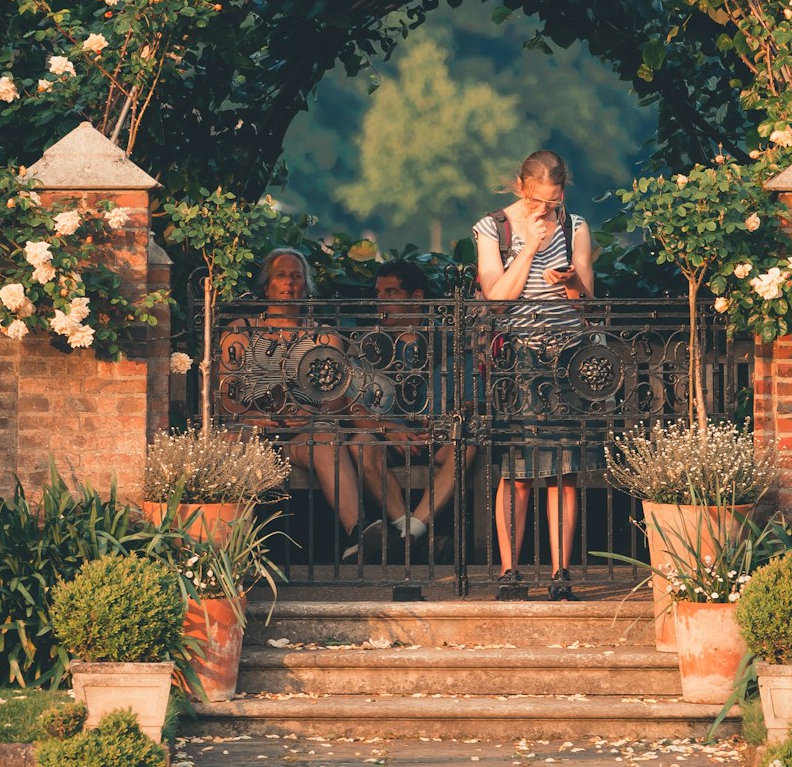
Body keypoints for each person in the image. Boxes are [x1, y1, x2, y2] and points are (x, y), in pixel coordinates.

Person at [473, 150, 595, 600]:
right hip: (516, 360)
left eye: (556, 199)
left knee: (564, 472)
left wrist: (567, 281)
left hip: (565, 356)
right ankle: (510, 573)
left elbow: (586, 302)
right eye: (540, 200)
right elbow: (496, 300)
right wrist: (529, 251)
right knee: (518, 472)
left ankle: (560, 572)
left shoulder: (576, 225)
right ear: (522, 187)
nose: (548, 209)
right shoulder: (494, 228)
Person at [218, 247, 366, 561]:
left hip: (304, 432)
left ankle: (359, 537)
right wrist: (255, 416)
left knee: (327, 441)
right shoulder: (240, 331)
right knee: (232, 444)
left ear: (305, 285)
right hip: (252, 431)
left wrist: (311, 413)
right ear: (266, 284)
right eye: (281, 275)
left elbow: (338, 400)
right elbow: (225, 398)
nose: (289, 283)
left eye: (296, 276)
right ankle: (231, 550)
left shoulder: (322, 337)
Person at [350, 259, 477, 564]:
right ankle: (410, 531)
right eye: (379, 294)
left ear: (416, 297)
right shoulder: (367, 345)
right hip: (389, 439)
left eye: (391, 293)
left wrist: (442, 426)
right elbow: (356, 409)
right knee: (360, 444)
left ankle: (410, 532)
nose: (382, 301)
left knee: (469, 443)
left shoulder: (450, 342)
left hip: (438, 438)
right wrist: (387, 430)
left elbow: (474, 403)